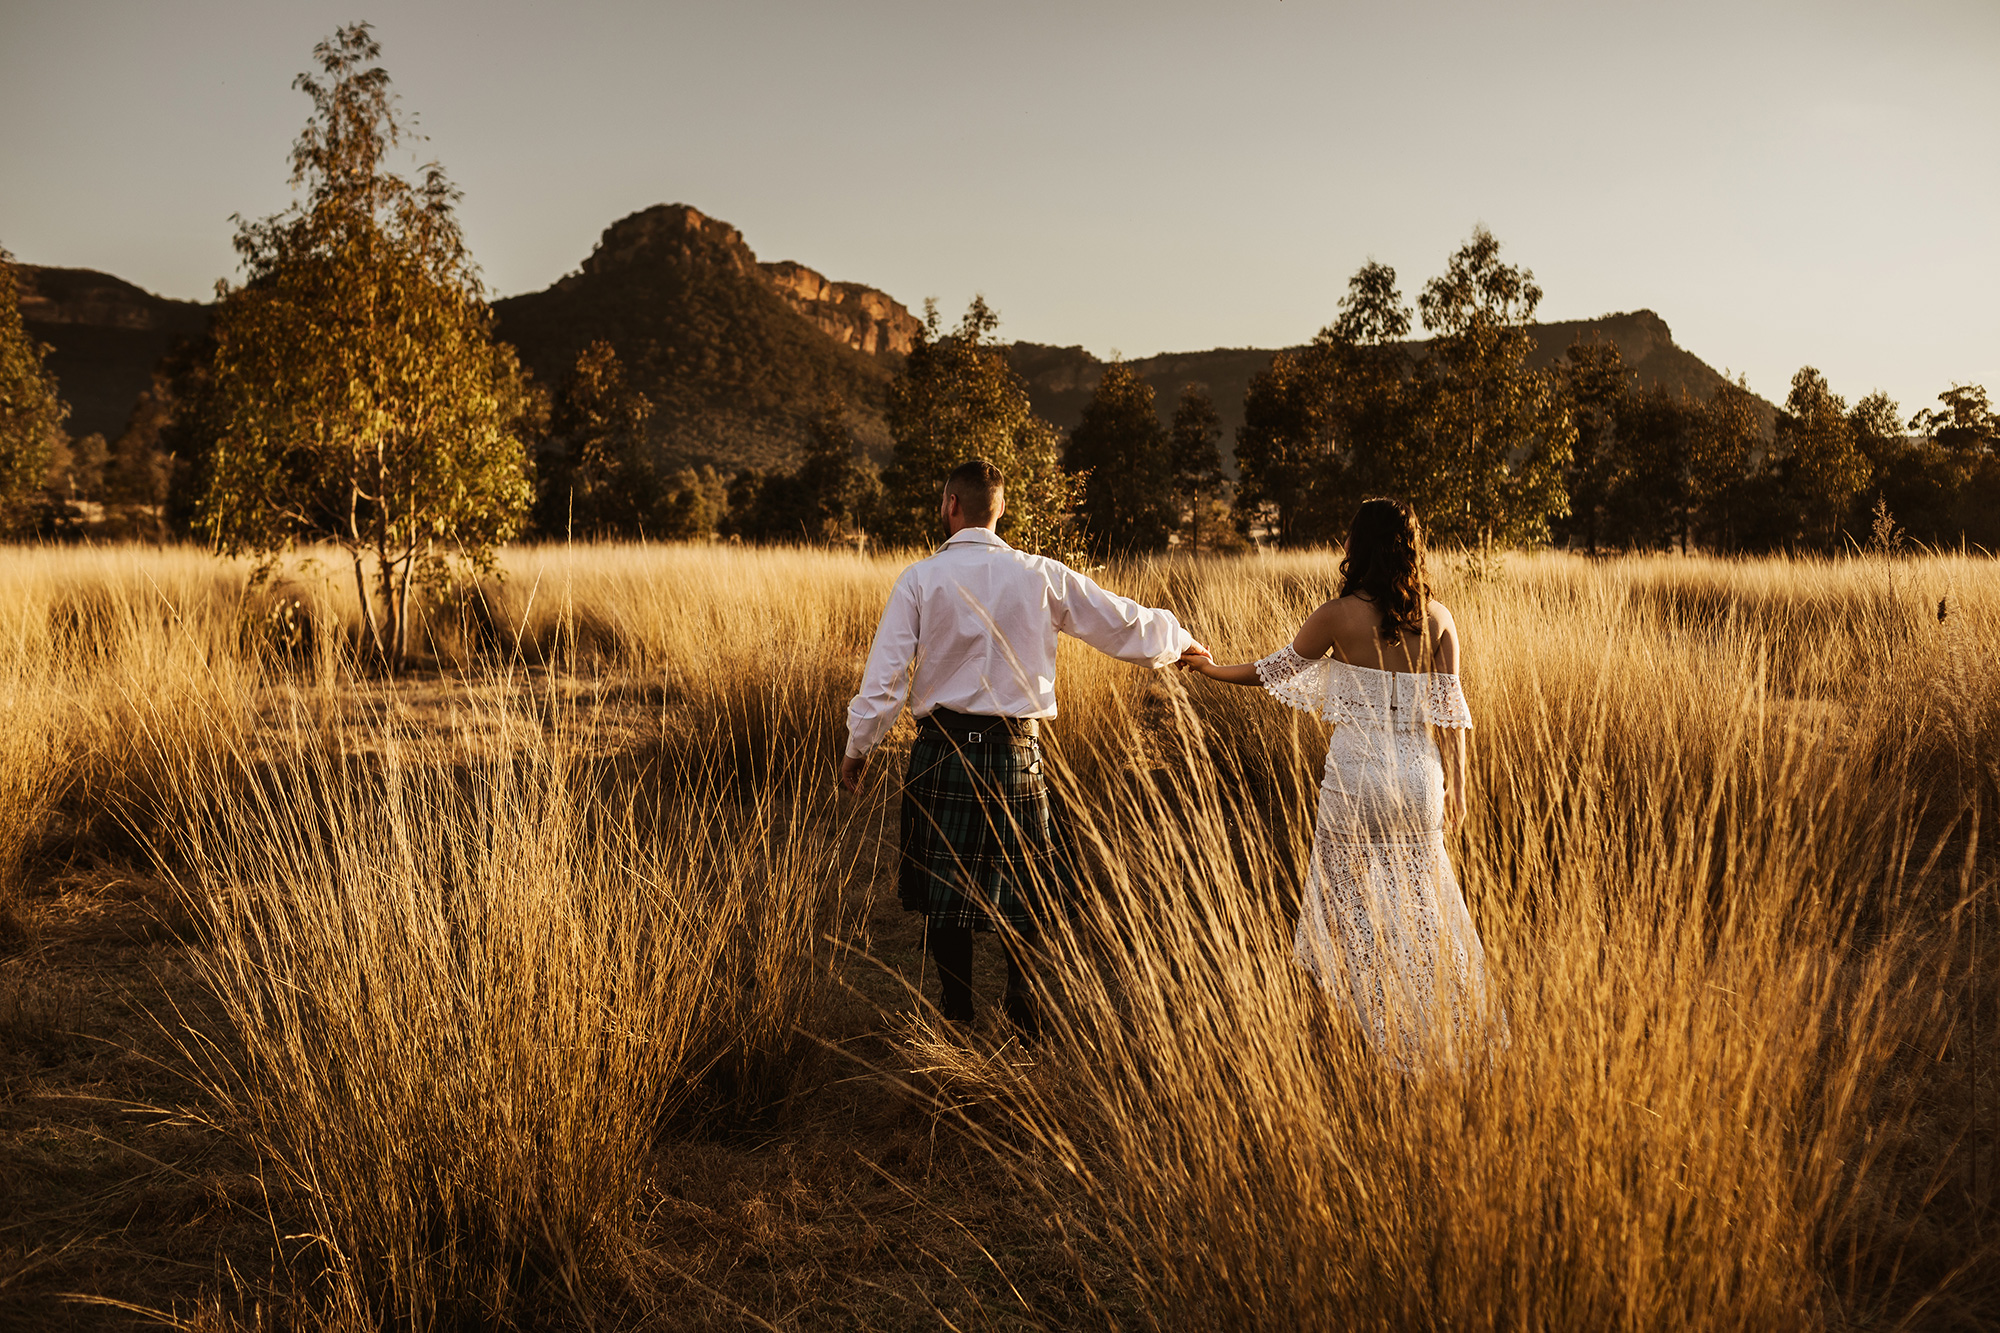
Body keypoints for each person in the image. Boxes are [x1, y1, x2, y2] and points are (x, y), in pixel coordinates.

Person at [840, 459, 1207, 1035]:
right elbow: (1119, 622)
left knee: (946, 887)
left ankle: (958, 1010)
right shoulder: (1041, 574)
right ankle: (1022, 1002)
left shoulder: (919, 578)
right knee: (1026, 882)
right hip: (1016, 753)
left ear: (949, 505)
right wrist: (1181, 644)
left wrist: (857, 750)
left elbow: (884, 681)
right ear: (1000, 508)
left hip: (944, 752)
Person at [1181, 497, 1503, 1071]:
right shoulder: (1440, 618)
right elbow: (1452, 720)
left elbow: (1270, 671)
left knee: (1342, 913)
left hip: (1358, 783)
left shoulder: (1337, 615)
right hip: (1419, 783)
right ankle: (1437, 1034)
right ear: (1410, 547)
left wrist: (1207, 667)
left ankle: (1356, 1039)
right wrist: (1458, 789)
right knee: (1425, 912)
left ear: (1357, 546)